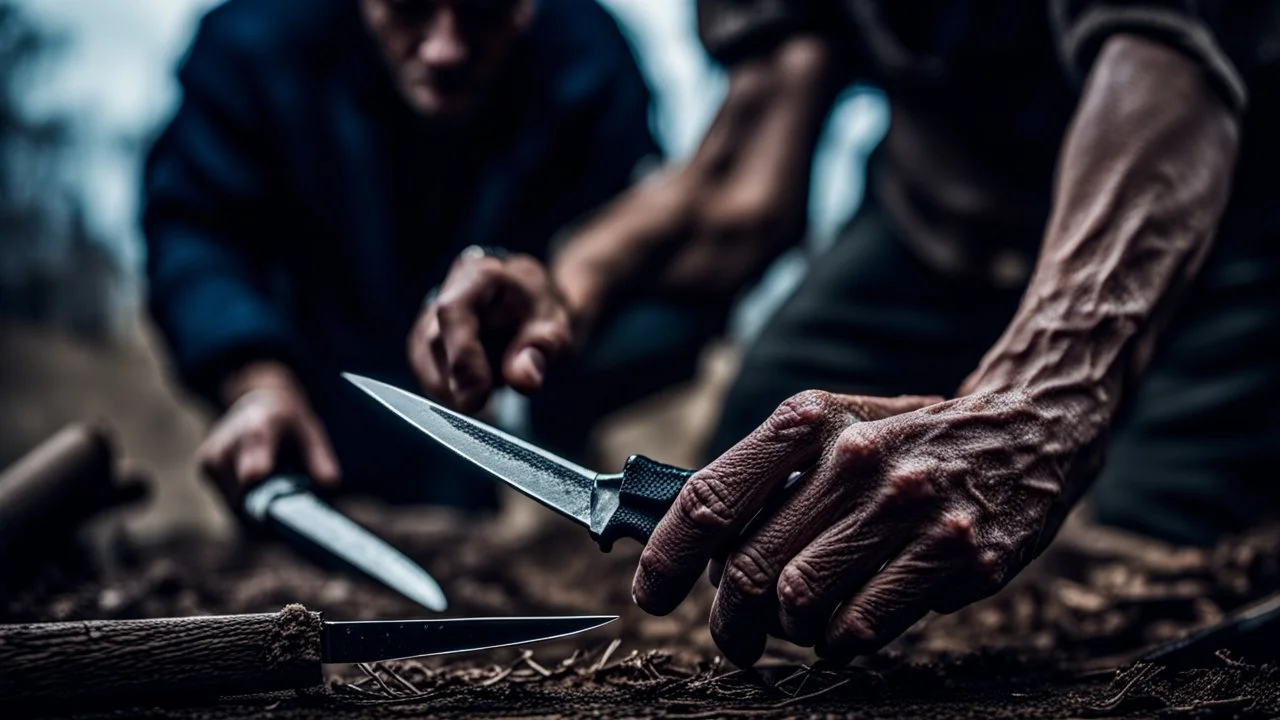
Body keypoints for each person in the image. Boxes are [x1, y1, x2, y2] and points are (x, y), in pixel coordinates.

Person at [420, 1, 1280, 665]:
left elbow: (1172, 73)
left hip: (1218, 238)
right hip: (925, 230)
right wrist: (566, 287)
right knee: (733, 513)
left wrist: (1044, 402)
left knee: (1142, 598)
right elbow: (740, 176)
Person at [144, 0, 721, 510]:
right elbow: (194, 229)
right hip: (326, 397)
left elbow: (644, 223)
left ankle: (536, 442)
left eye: (484, 11)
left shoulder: (590, 54)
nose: (445, 49)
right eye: (407, 7)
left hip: (516, 384)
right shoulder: (252, 40)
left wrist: (553, 307)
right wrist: (256, 381)